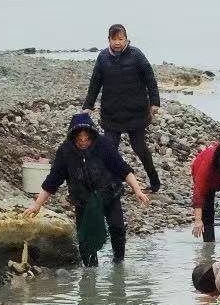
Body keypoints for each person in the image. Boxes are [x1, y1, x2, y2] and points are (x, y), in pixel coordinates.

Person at [25, 112, 152, 266]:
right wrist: (38, 205)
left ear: (92, 136)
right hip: (83, 200)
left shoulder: (103, 145)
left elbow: (124, 169)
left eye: (87, 139)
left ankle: (119, 263)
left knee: (117, 227)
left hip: (108, 194)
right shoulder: (65, 152)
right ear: (73, 138)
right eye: (80, 140)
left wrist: (137, 190)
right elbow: (52, 181)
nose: (84, 142)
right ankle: (89, 271)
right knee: (85, 237)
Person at [83, 24, 163, 191]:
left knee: (139, 148)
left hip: (136, 113)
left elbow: (150, 77)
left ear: (126, 39)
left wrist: (155, 102)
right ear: (109, 40)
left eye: (121, 39)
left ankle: (154, 180)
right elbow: (95, 82)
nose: (117, 42)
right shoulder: (103, 57)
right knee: (109, 148)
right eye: (114, 39)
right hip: (112, 113)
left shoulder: (136, 55)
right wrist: (88, 105)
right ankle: (111, 182)